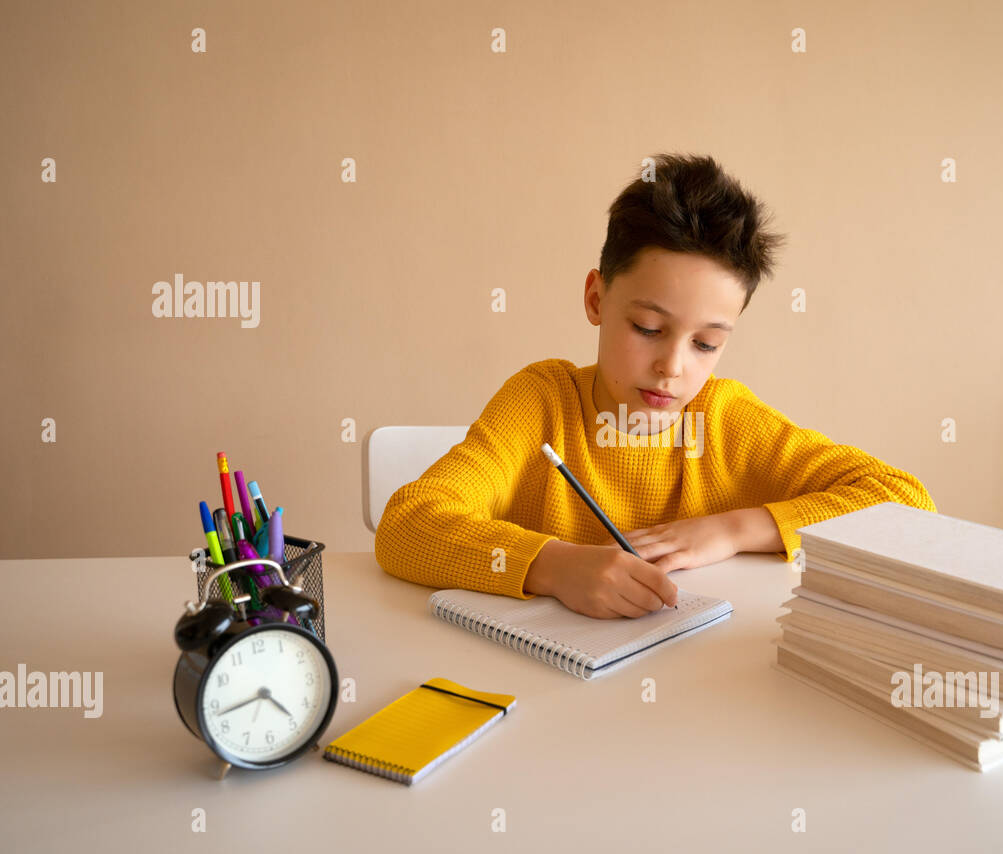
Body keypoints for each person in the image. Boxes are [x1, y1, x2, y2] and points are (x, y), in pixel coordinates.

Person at [375, 152, 936, 618]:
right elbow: (406, 524)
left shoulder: (725, 420)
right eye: (648, 328)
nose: (673, 366)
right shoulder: (539, 402)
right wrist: (554, 565)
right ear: (597, 299)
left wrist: (733, 530)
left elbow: (904, 501)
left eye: (706, 344)